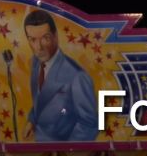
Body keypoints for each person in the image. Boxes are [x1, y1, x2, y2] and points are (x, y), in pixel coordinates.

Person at [22, 9, 98, 143]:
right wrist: (32, 120)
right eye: (32, 40)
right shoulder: (36, 63)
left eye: (45, 38)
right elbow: (41, 101)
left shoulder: (76, 76)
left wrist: (65, 153)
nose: (38, 47)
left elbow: (89, 124)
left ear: (55, 36)